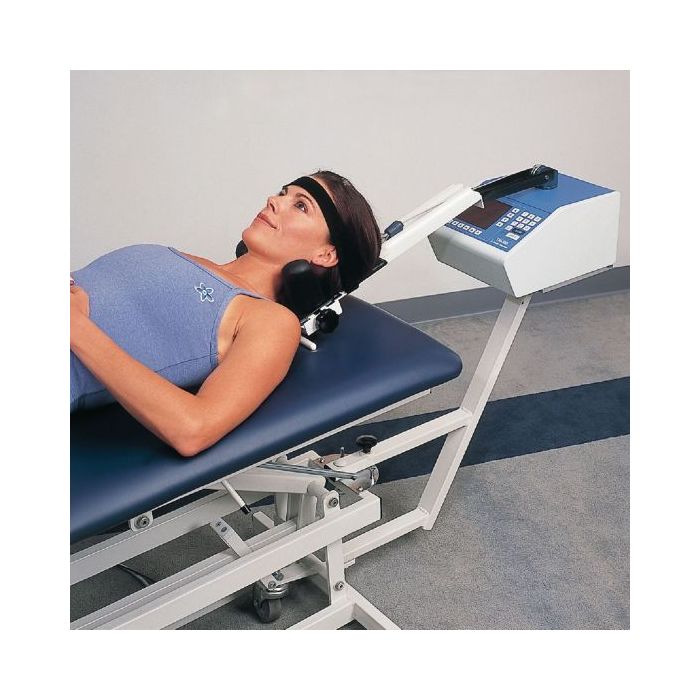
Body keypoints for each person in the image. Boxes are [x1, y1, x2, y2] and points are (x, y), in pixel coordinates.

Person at [70, 170, 382, 457]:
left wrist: (76, 327)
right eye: (282, 193)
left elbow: (193, 429)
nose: (274, 201)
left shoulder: (270, 320)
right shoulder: (192, 260)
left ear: (326, 254)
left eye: (301, 206)